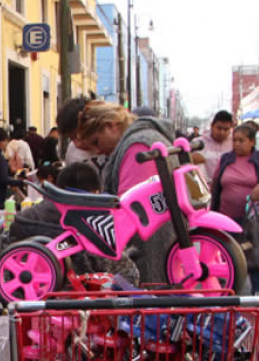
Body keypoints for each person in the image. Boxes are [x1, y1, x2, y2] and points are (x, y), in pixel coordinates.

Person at [68, 100, 178, 283]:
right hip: (164, 247)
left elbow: (130, 209)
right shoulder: (147, 138)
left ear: (111, 126)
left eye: (96, 141)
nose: (98, 150)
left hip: (151, 256)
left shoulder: (137, 146)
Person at [2, 163, 141, 286]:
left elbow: (3, 259)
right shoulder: (93, 226)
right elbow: (129, 275)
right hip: (79, 310)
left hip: (23, 303)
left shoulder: (23, 218)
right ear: (94, 193)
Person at [211, 123, 259, 294]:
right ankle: (229, 290)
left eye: (241, 141)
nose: (236, 144)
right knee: (228, 255)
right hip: (227, 218)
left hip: (252, 219)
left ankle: (258, 291)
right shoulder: (226, 159)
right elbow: (215, 182)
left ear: (252, 142)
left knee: (255, 255)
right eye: (234, 140)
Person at [194, 109, 234, 182]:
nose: (222, 132)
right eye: (219, 128)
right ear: (212, 126)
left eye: (226, 129)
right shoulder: (198, 143)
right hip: (205, 186)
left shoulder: (234, 142)